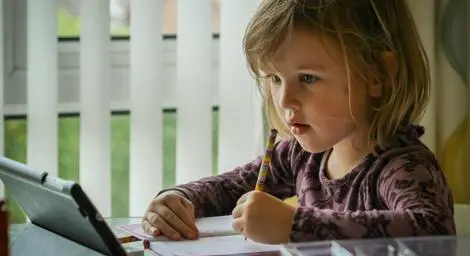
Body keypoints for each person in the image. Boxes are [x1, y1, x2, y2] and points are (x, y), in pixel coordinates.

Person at [141, 0, 456, 244]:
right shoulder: (300, 156)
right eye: (275, 78)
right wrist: (179, 201)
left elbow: (432, 230)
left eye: (307, 78)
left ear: (377, 74)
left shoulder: (403, 167)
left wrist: (295, 225)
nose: (284, 100)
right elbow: (228, 188)